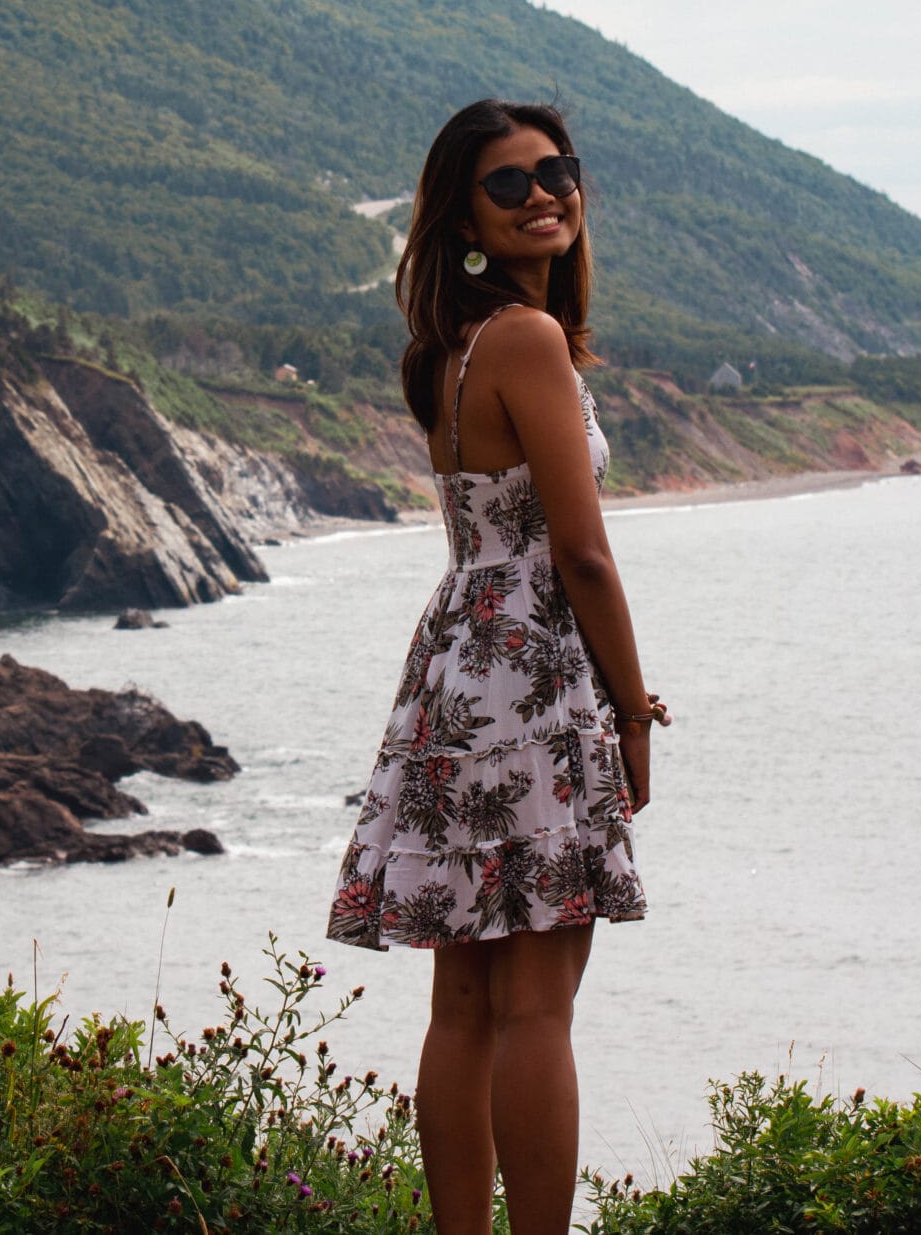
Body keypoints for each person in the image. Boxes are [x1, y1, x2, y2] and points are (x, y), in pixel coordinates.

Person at [325, 98, 667, 1235]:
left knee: (464, 1000)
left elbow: (480, 544)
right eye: (509, 183)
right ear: (463, 217)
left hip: (458, 663)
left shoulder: (451, 350)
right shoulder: (525, 340)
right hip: (533, 672)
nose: (545, 194)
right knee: (536, 1007)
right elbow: (579, 553)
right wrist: (630, 713)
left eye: (556, 170)